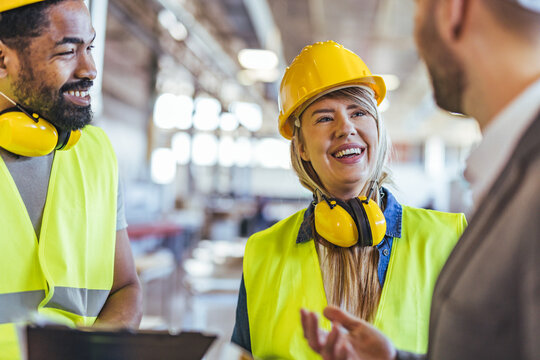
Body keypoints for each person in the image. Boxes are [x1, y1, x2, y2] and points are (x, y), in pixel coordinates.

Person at [301, 0, 540, 359]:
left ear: (452, 11)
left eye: (417, 11)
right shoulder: (513, 179)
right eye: (323, 118)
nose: (345, 128)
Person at [231, 40, 467, 359]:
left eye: (358, 112)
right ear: (301, 146)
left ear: (378, 130)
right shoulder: (262, 253)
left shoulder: (449, 239)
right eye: (324, 118)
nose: (346, 129)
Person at [0, 0, 142, 358]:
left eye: (89, 47)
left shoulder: (95, 152)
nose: (90, 69)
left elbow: (125, 286)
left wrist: (95, 349)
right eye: (67, 51)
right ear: (3, 60)